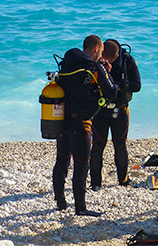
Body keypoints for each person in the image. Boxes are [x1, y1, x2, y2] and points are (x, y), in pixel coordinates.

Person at [54, 35, 118, 216]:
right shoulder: (94, 67)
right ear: (97, 48)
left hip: (61, 120)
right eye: (101, 51)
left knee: (62, 161)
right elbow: (111, 92)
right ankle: (81, 208)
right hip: (81, 122)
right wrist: (107, 71)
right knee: (82, 163)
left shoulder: (67, 63)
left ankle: (60, 202)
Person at [90, 39, 141, 191]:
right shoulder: (97, 61)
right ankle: (95, 183)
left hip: (121, 108)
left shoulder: (128, 61)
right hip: (101, 110)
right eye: (103, 58)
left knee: (120, 144)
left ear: (116, 56)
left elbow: (137, 85)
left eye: (108, 59)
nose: (105, 61)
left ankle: (123, 180)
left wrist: (116, 85)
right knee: (98, 145)